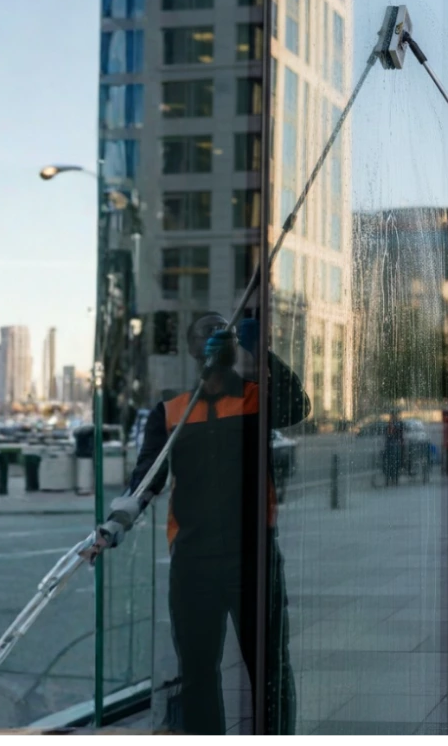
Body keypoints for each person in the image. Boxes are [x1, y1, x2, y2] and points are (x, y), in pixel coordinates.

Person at [83, 313, 310, 737]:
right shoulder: (171, 413)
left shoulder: (256, 400)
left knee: (269, 668)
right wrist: (116, 522)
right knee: (197, 673)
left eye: (220, 333)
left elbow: (299, 407)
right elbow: (147, 476)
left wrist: (261, 351)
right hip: (192, 562)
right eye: (204, 333)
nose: (212, 339)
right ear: (192, 350)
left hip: (253, 558)